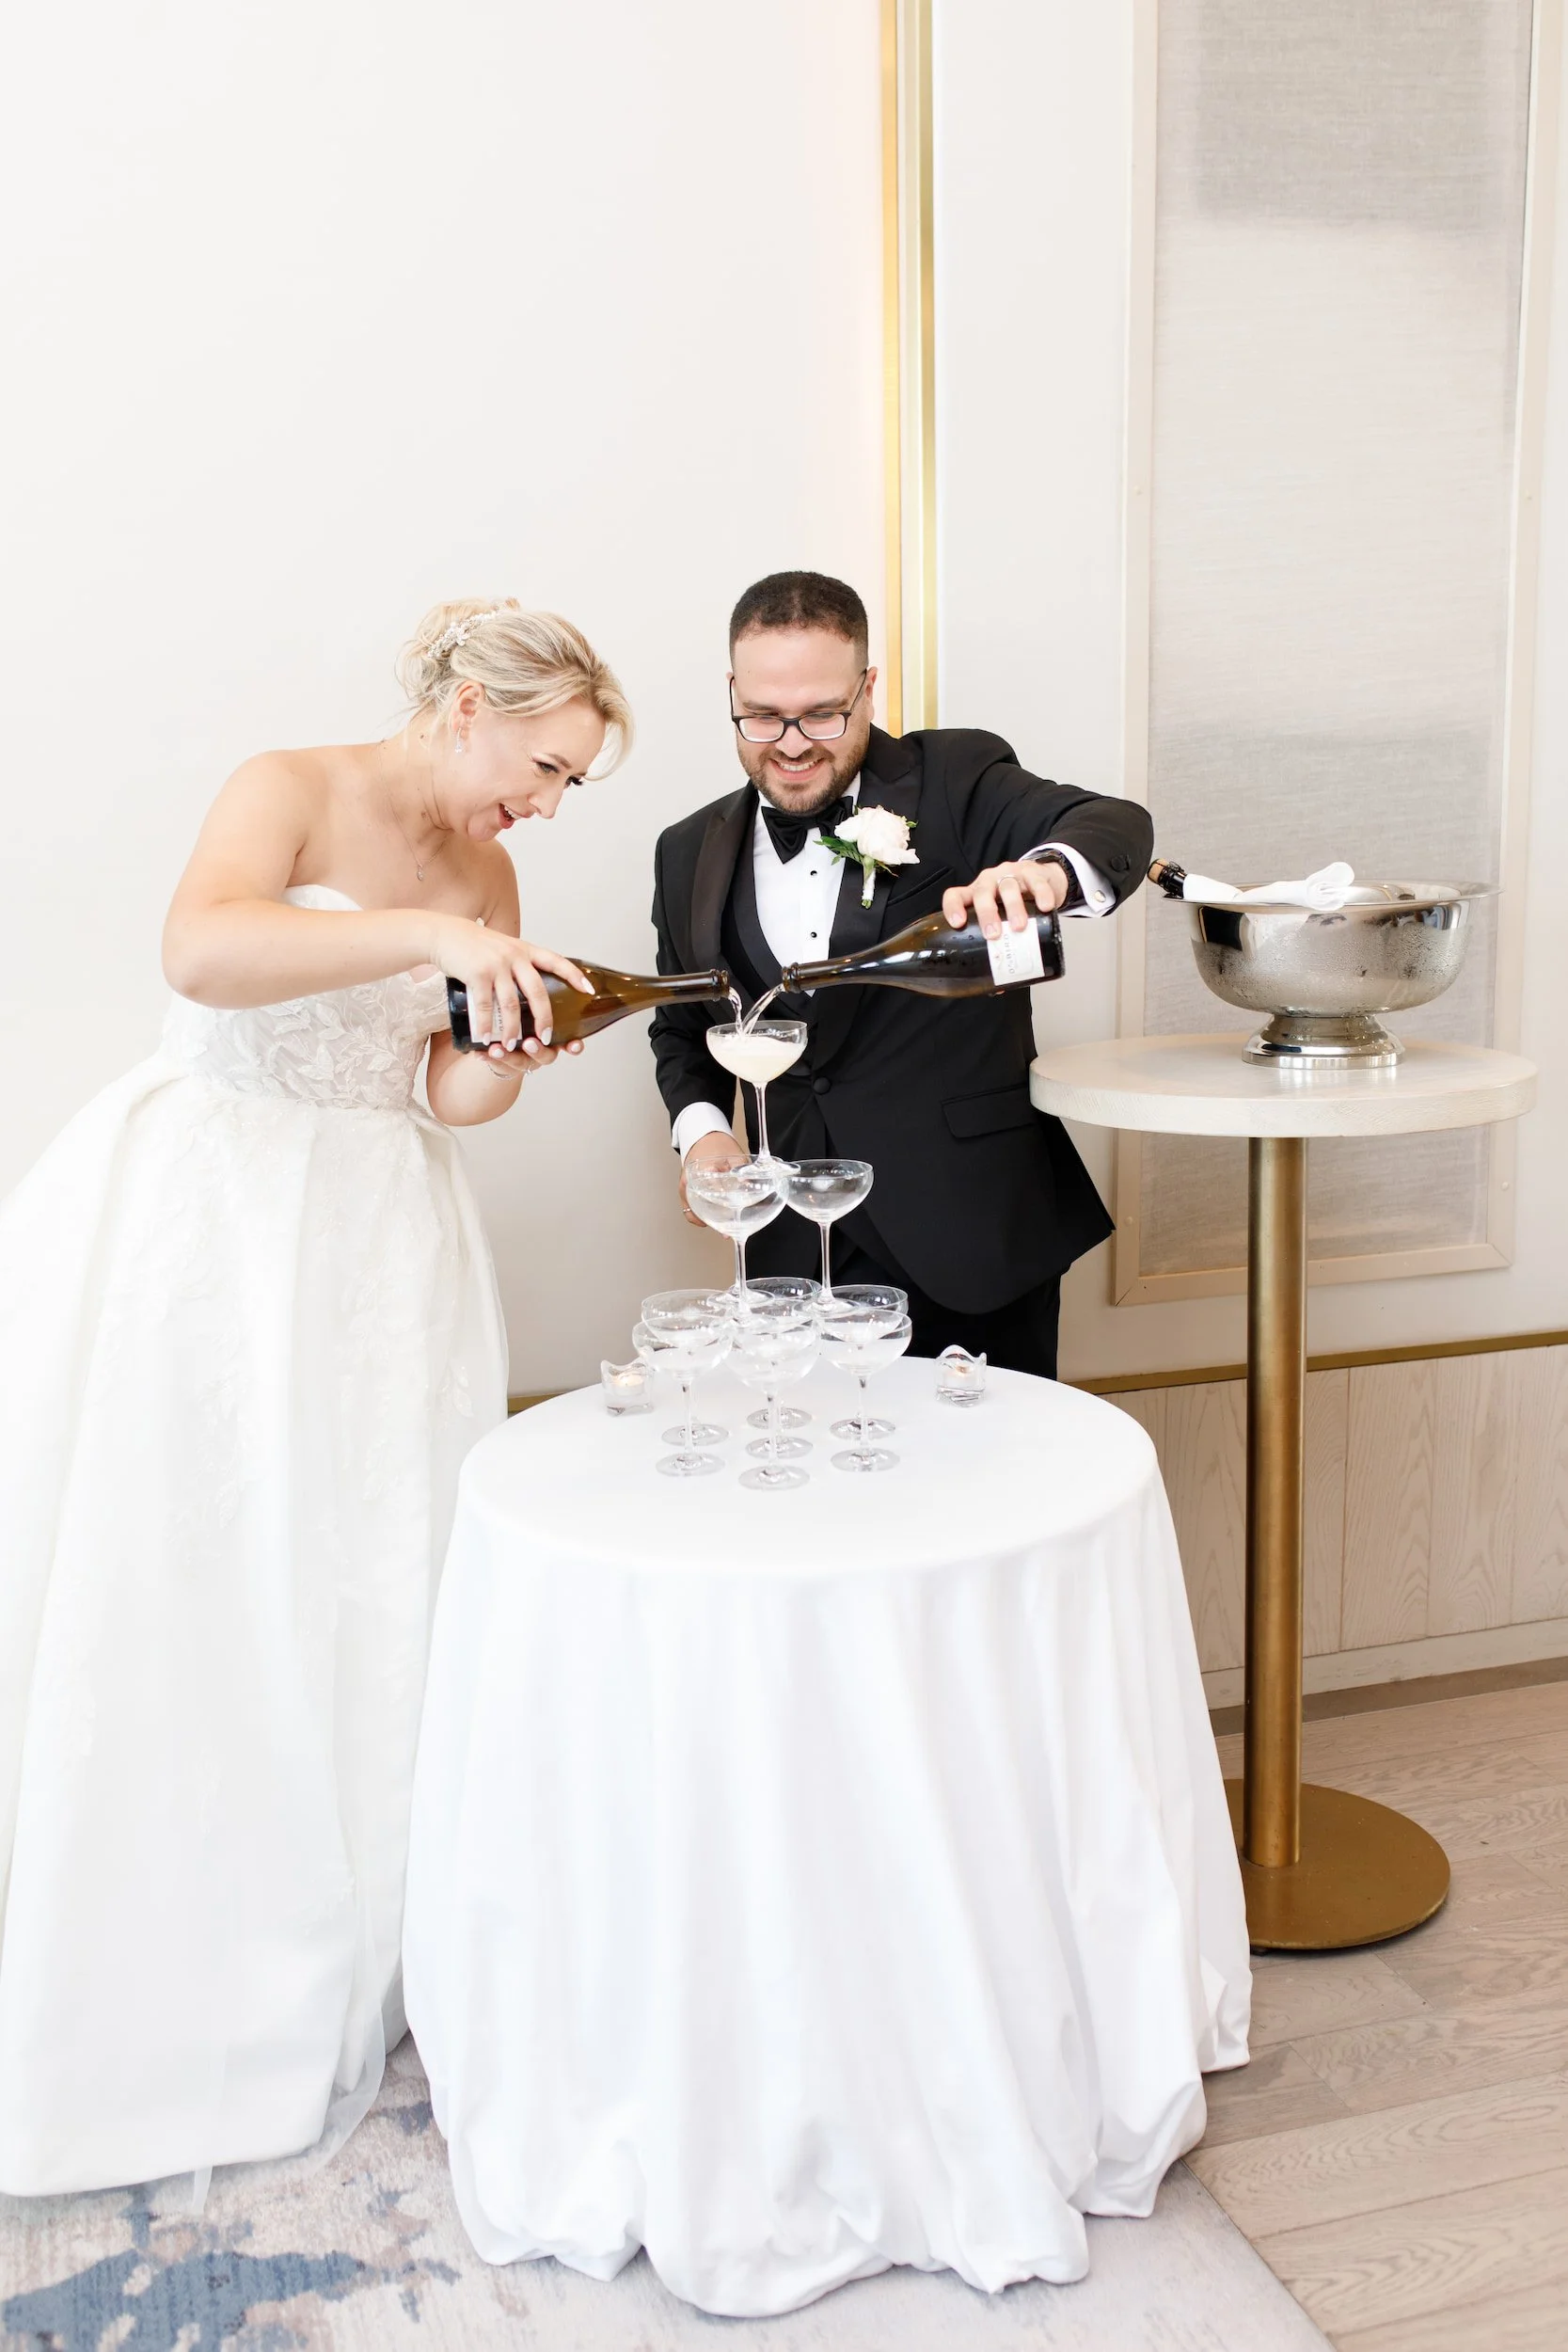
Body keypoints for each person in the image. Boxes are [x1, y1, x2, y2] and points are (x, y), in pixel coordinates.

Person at [0, 597, 630, 2198]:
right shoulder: (286, 784)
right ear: (470, 706)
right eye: (545, 768)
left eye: (570, 785)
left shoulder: (490, 874)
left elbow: (440, 1091)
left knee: (368, 1576)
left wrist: (507, 1053)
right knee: (190, 1566)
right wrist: (430, 941)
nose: (547, 806)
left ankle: (338, 1937)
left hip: (379, 1249)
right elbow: (203, 951)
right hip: (214, 1222)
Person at [650, 571, 1151, 1376]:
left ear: (868, 688)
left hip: (968, 1229)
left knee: (989, 1454)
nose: (791, 743)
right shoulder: (685, 850)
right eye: (762, 716)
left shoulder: (955, 776)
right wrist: (703, 1133)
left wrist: (1047, 873)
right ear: (732, 693)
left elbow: (1112, 823)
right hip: (791, 1250)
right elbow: (681, 1028)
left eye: (821, 713)